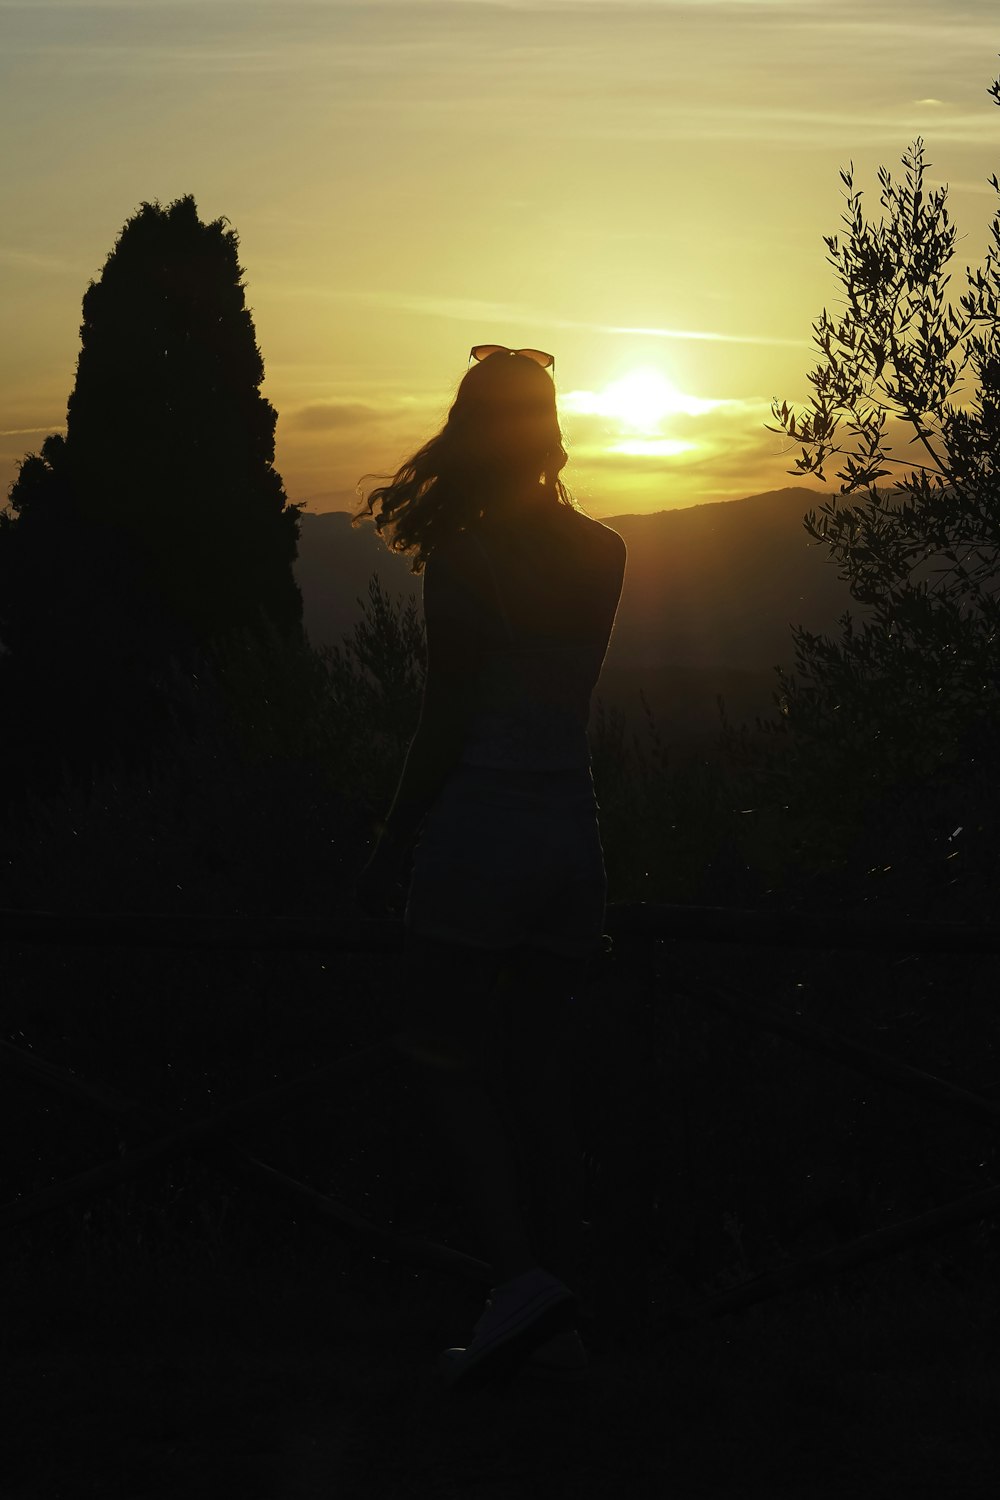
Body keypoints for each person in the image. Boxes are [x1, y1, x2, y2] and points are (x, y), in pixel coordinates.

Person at [354, 344, 626, 1390]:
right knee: (544, 1080)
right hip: (573, 838)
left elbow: (442, 727)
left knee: (443, 1059)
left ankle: (517, 1282)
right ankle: (561, 1319)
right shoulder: (604, 552)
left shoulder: (465, 564)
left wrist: (387, 849)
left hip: (480, 838)